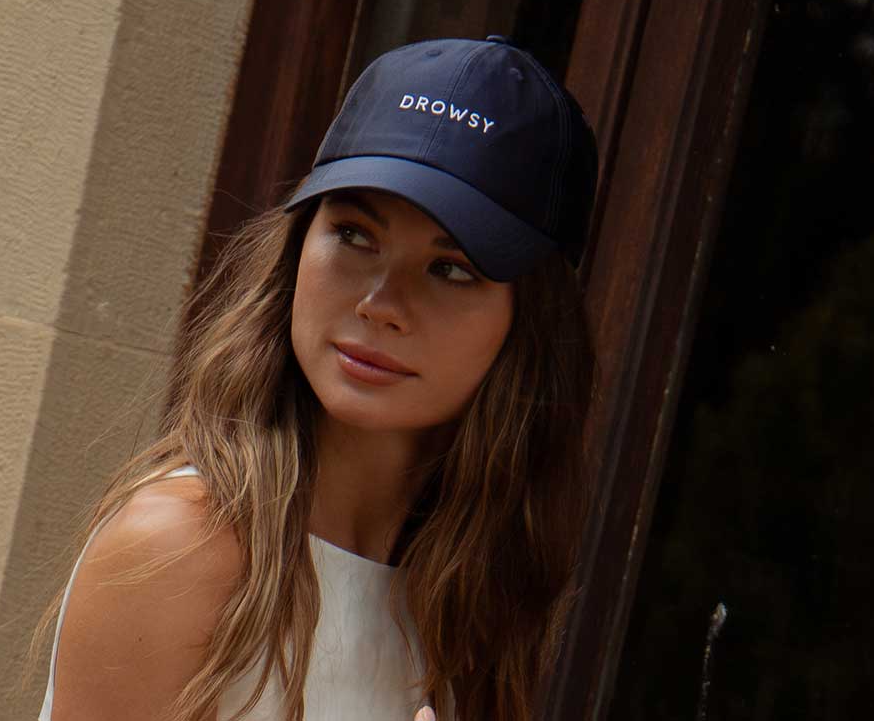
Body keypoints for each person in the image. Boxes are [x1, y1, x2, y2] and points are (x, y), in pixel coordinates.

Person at [36, 36, 601, 721]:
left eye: (450, 269)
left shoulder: (469, 598)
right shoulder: (180, 550)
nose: (382, 303)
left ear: (530, 327)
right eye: (356, 235)